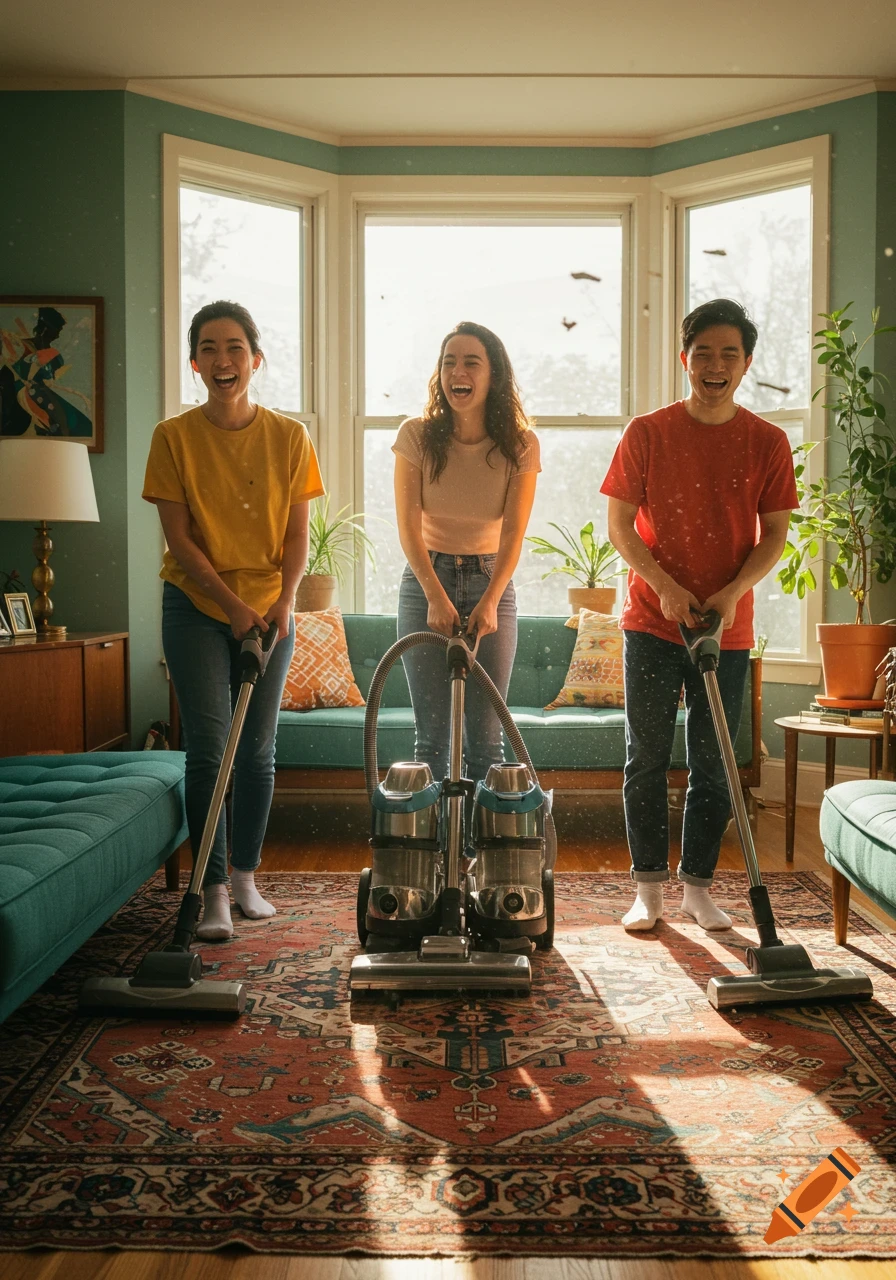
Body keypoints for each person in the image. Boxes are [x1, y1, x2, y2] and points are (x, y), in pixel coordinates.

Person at [601, 298, 798, 932]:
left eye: (729, 354)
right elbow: (620, 525)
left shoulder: (767, 442)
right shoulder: (647, 433)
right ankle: (648, 890)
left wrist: (734, 592)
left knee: (714, 765)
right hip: (652, 623)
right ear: (684, 359)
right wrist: (662, 586)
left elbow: (774, 535)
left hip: (725, 627)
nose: (716, 365)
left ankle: (698, 888)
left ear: (746, 364)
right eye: (704, 353)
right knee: (646, 759)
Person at [143, 300, 324, 940]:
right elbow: (181, 542)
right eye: (209, 349)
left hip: (271, 610)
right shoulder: (173, 438)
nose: (223, 360)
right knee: (209, 748)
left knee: (257, 751)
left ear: (256, 359)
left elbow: (297, 535)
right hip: (196, 606)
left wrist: (284, 602)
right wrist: (232, 606)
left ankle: (245, 875)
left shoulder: (290, 437)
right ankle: (212, 887)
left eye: (235, 348)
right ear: (195, 363)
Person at [393, 320, 540, 787]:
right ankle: (435, 835)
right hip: (425, 581)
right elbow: (408, 528)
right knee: (432, 741)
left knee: (486, 744)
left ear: (493, 375)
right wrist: (435, 596)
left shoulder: (520, 444)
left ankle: (478, 837)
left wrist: (491, 599)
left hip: (491, 582)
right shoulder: (416, 436)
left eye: (471, 362)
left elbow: (513, 534)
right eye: (449, 362)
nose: (458, 371)